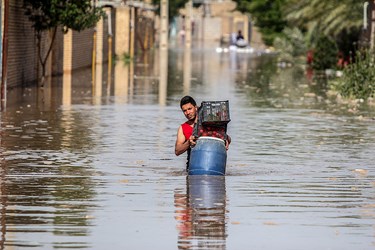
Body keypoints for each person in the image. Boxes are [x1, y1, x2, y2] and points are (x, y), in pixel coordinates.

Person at [175, 96, 231, 170]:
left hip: (215, 165)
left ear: (196, 108)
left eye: (189, 109)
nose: (187, 113)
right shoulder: (183, 128)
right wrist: (189, 142)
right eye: (184, 111)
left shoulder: (208, 121)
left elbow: (226, 136)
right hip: (193, 168)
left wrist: (226, 139)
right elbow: (177, 151)